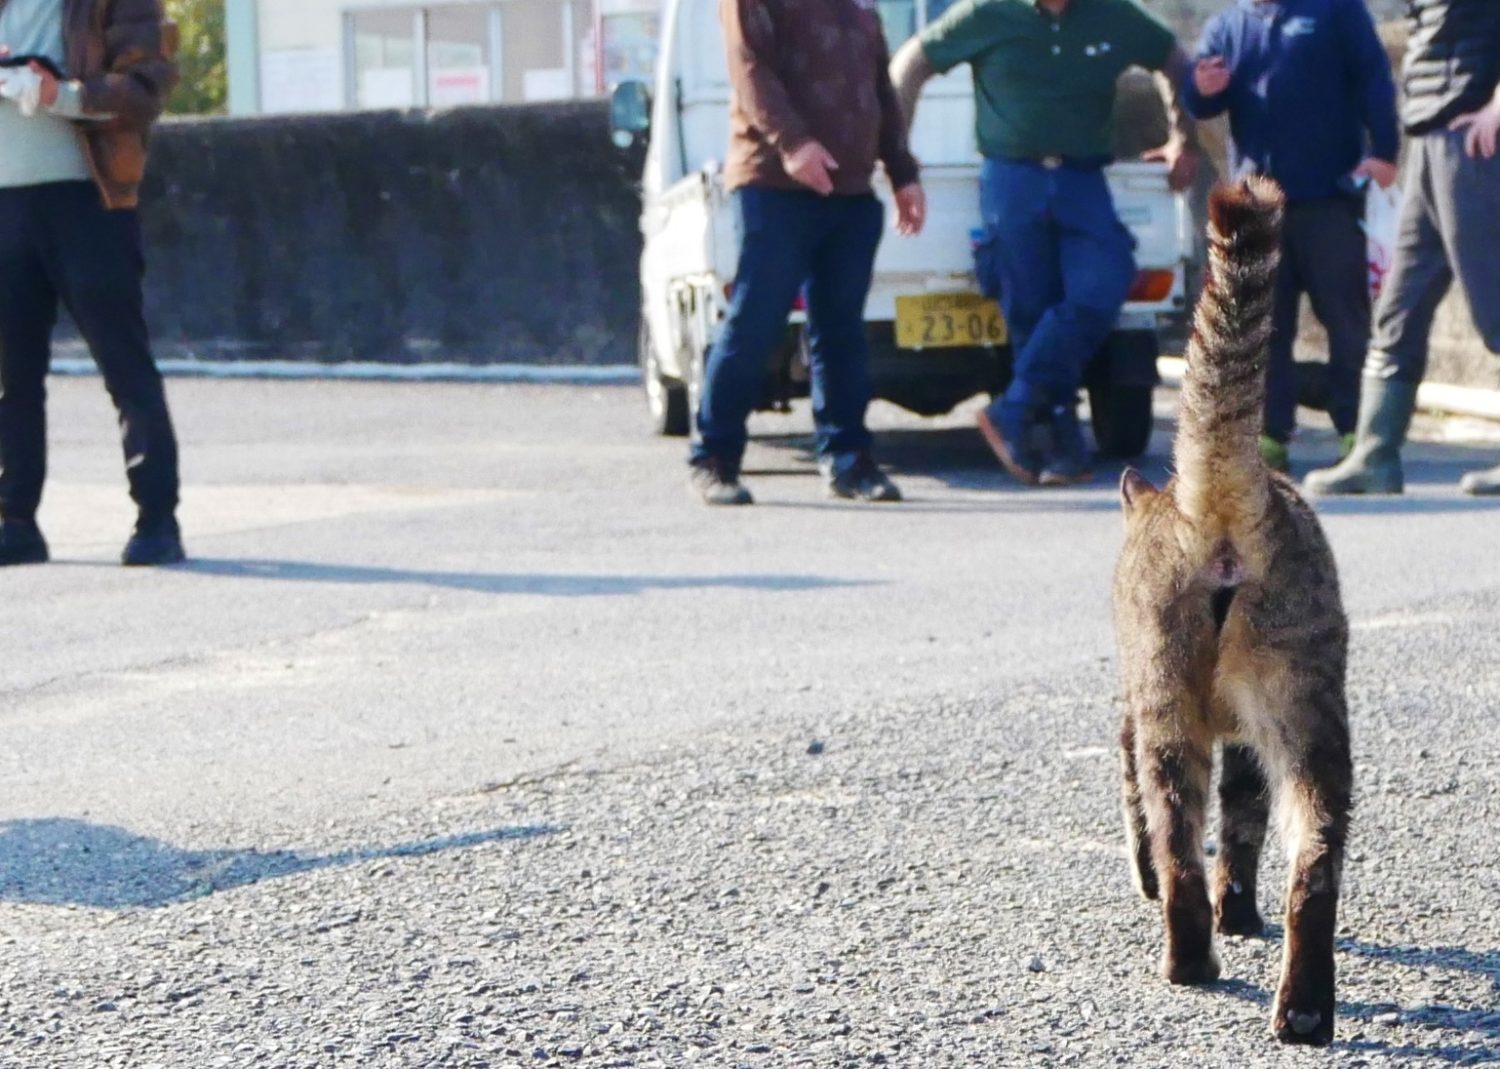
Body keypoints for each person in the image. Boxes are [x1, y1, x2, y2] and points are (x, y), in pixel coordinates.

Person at [891, 0, 1200, 487]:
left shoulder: (1112, 14)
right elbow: (913, 62)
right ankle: (1060, 436)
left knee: (1103, 285)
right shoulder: (987, 13)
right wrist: (898, 152)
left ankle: (1014, 409)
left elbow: (1175, 60)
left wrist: (1184, 137)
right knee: (1029, 308)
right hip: (1013, 179)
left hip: (1083, 179)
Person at [689, 0, 926, 507]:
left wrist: (902, 172)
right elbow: (750, 67)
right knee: (755, 321)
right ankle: (715, 458)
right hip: (775, 186)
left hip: (852, 192)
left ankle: (849, 460)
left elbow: (880, 86)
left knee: (841, 332)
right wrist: (794, 143)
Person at [0, 0, 184, 567]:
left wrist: (63, 96)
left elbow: (147, 86)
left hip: (89, 201)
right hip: (5, 205)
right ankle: (15, 521)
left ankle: (157, 519)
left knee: (123, 365)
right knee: (11, 379)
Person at [1182, 0, 1399, 475]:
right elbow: (1200, 99)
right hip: (1257, 206)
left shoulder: (1338, 11)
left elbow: (1373, 76)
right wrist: (1199, 90)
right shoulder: (1227, 26)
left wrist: (1385, 151)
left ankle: (1356, 432)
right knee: (1261, 327)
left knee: (1347, 321)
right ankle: (1268, 439)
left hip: (1330, 198)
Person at [1304, 0, 1500, 497]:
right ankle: (1375, 454)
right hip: (1432, 137)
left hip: (1476, 142)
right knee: (1398, 308)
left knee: (1494, 303)